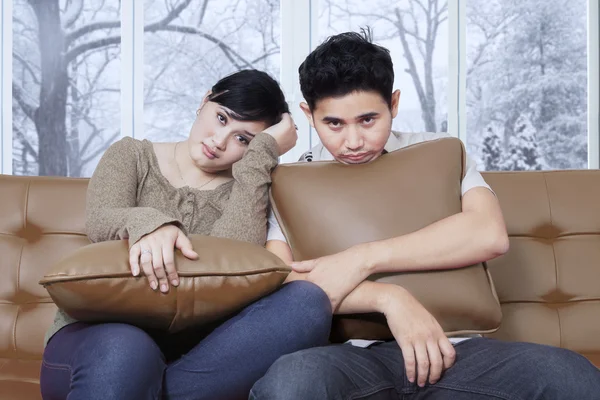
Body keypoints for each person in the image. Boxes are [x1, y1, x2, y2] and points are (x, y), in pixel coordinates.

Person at [251, 31, 600, 399]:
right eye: (334, 123)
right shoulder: (292, 181)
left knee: (571, 374)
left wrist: (363, 258)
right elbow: (285, 281)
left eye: (368, 120)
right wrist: (389, 300)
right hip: (348, 358)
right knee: (291, 381)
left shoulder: (440, 153)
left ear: (394, 103)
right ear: (309, 114)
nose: (352, 141)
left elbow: (488, 234)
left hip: (459, 351)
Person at [40, 70, 333, 400]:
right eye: (221, 118)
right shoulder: (132, 154)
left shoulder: (248, 190)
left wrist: (262, 153)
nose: (219, 141)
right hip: (99, 343)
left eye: (243, 140)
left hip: (199, 358)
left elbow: (235, 261)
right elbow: (100, 219)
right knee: (128, 349)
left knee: (306, 303)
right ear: (204, 100)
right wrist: (152, 223)